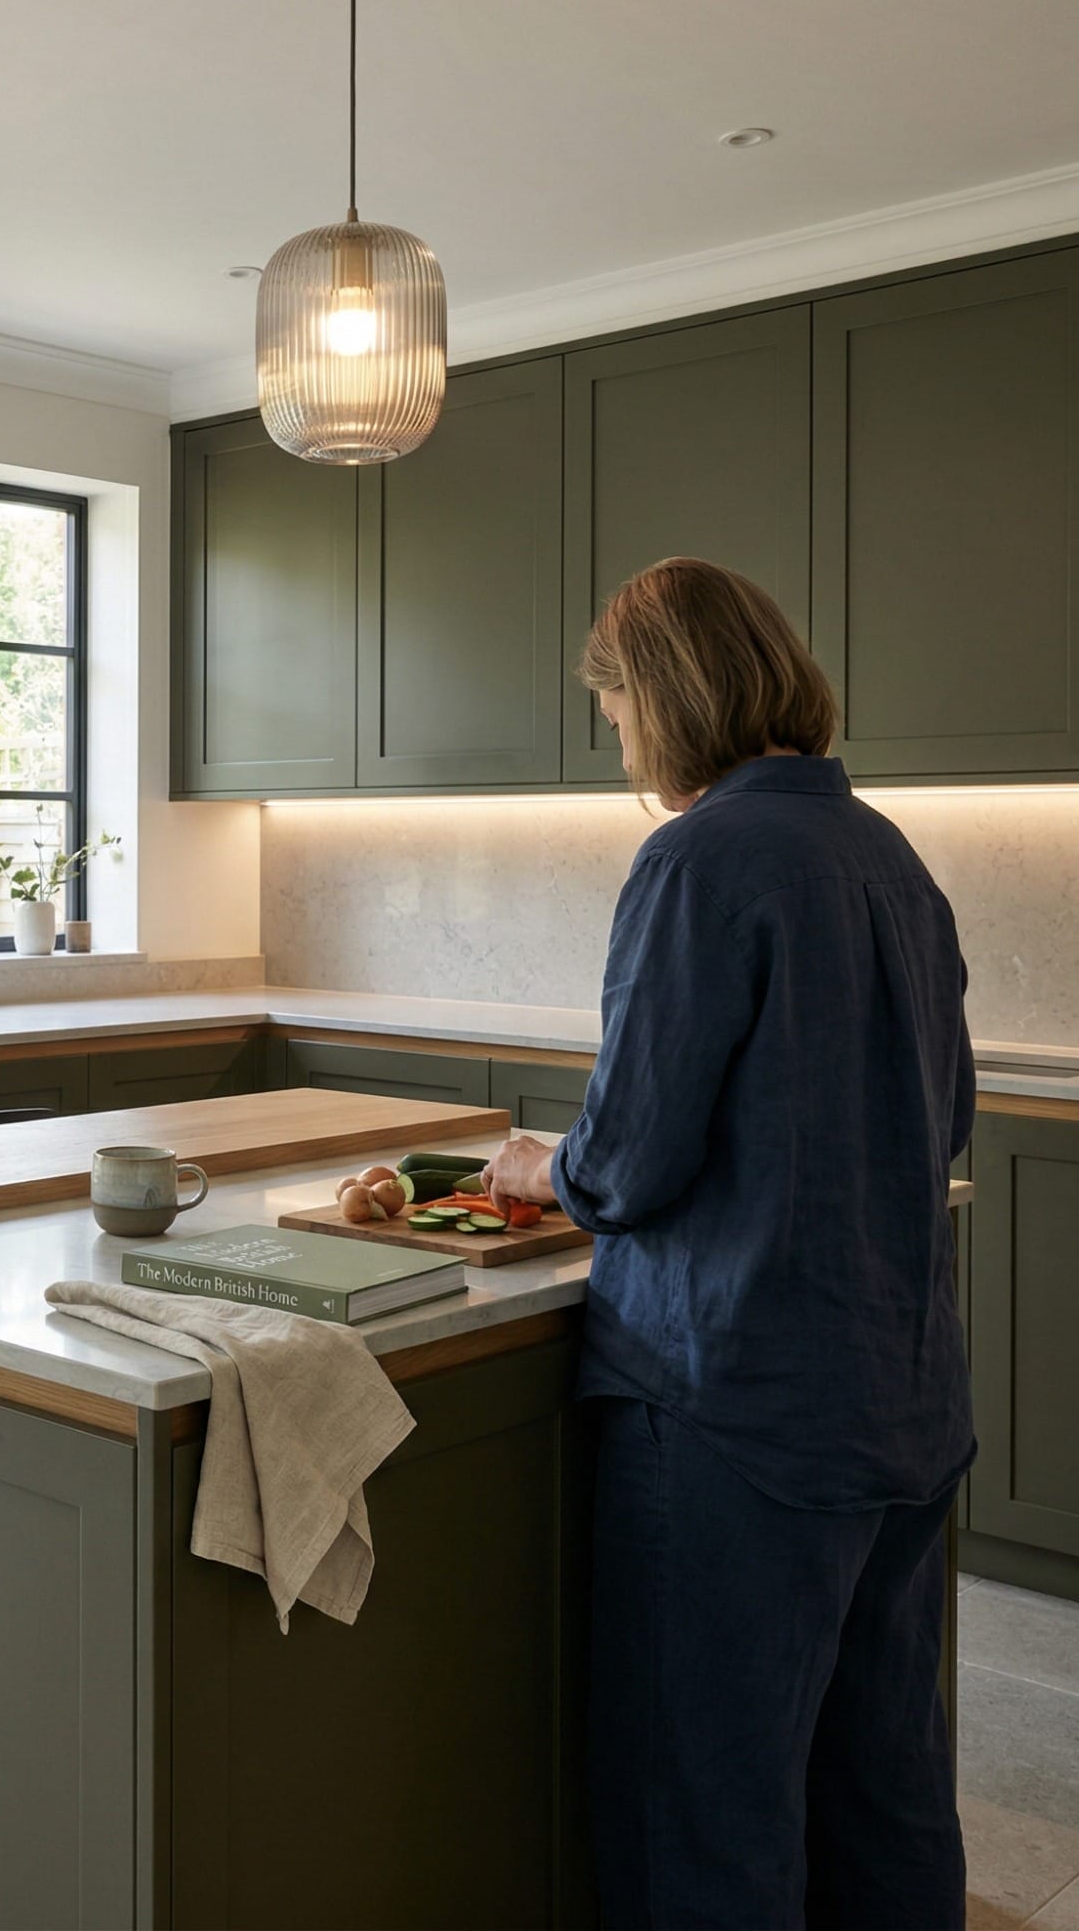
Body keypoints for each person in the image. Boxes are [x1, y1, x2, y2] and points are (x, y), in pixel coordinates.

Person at [484, 557, 974, 1930]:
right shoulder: (890, 856)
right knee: (882, 1800)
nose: (623, 744)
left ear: (672, 695)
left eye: (621, 710)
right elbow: (947, 1120)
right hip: (903, 1412)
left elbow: (630, 1159)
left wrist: (547, 1169)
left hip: (735, 1417)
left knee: (709, 1821)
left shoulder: (698, 858)